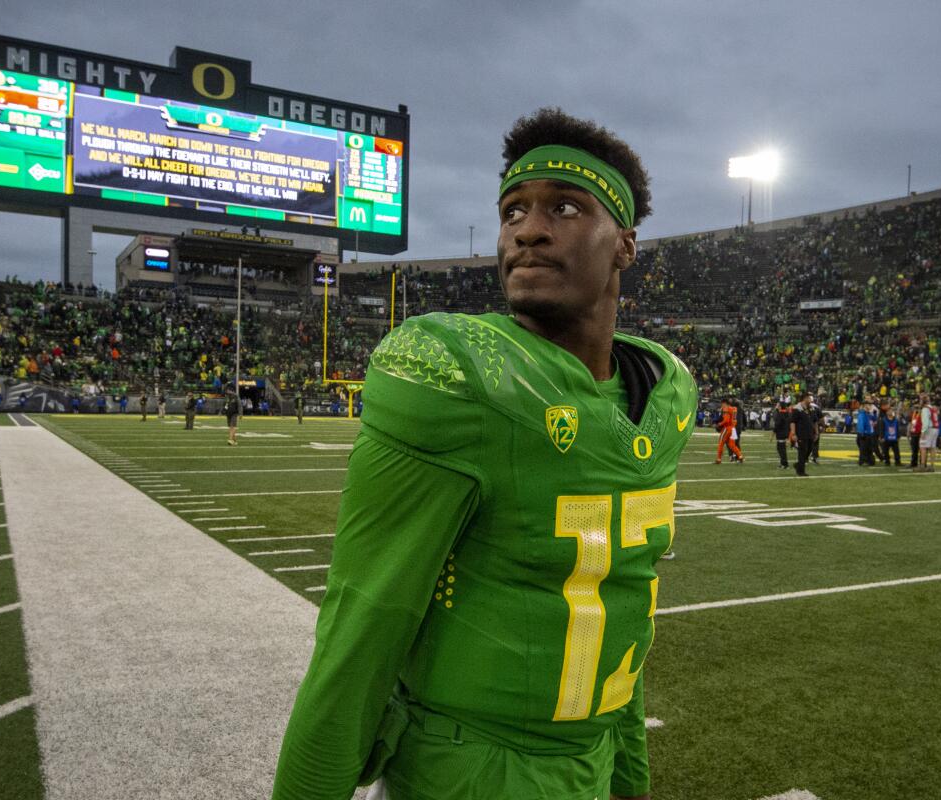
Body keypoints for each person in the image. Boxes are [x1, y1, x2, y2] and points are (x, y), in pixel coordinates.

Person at [272, 108, 696, 800]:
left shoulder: (663, 390)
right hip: (468, 772)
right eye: (513, 211)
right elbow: (360, 627)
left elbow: (622, 606)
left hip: (588, 762)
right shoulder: (454, 373)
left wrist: (628, 780)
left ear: (624, 245)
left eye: (564, 207)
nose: (528, 229)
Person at [790, 392, 816, 476]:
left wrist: (816, 432)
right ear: (804, 398)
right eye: (809, 397)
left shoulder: (811, 408)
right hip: (801, 434)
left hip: (810, 433)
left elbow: (814, 421)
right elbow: (792, 422)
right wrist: (793, 434)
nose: (811, 399)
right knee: (802, 452)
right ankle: (800, 471)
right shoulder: (797, 409)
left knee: (809, 450)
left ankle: (798, 465)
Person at [715, 398, 743, 463]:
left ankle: (718, 459)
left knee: (721, 443)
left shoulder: (726, 408)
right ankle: (740, 456)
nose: (721, 405)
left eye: (722, 404)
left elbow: (726, 420)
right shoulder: (734, 408)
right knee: (732, 445)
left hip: (727, 428)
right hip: (733, 429)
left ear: (724, 403)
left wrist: (719, 424)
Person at [916, 394, 938, 472]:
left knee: (923, 447)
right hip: (935, 429)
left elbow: (925, 422)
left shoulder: (925, 409)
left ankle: (922, 466)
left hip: (929, 429)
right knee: (932, 448)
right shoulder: (932, 408)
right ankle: (932, 466)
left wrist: (923, 432)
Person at [772, 399, 792, 469]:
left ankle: (785, 464)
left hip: (780, 434)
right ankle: (782, 463)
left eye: (778, 405)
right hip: (785, 433)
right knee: (782, 449)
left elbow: (777, 425)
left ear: (780, 406)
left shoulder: (780, 414)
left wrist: (773, 434)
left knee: (781, 449)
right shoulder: (787, 413)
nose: (777, 406)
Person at [908, 402, 922, 469]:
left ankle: (922, 463)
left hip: (920, 434)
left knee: (921, 450)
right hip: (913, 433)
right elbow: (911, 423)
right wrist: (909, 432)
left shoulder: (922, 414)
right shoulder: (913, 414)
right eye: (915, 407)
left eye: (918, 408)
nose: (916, 409)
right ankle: (913, 463)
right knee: (914, 450)